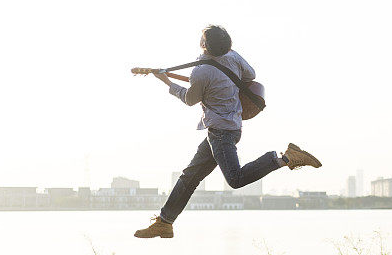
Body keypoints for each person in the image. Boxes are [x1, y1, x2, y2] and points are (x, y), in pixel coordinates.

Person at [134, 25, 321, 238]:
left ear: (204, 45)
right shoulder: (231, 57)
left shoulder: (201, 71)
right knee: (189, 177)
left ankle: (285, 158)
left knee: (235, 178)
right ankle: (165, 223)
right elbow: (250, 74)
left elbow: (189, 99)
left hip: (221, 133)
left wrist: (167, 82)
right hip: (228, 128)